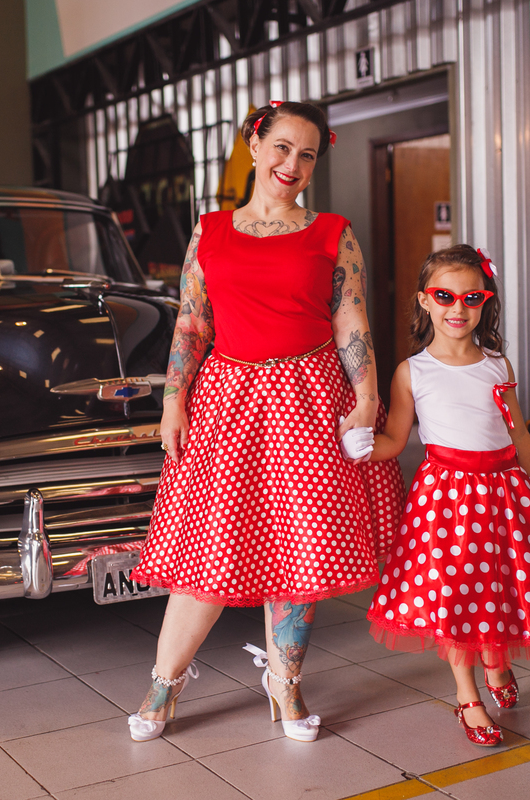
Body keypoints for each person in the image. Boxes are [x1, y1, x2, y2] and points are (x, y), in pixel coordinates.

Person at [127, 101, 404, 743]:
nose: (293, 164)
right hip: (226, 402)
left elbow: (351, 319)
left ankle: (284, 682)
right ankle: (166, 681)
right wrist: (173, 401)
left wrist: (364, 394)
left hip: (311, 396)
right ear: (254, 145)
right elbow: (192, 321)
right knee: (211, 548)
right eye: (282, 147)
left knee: (302, 550)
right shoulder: (210, 230)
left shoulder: (333, 231)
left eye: (307, 154)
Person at [362, 244, 530, 746]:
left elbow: (521, 436)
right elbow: (395, 443)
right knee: (454, 597)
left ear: (484, 301)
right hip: (445, 500)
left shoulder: (498, 365)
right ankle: (468, 698)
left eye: (472, 297)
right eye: (444, 296)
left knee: (498, 588)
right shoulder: (413, 372)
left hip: (505, 493)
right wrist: (361, 446)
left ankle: (495, 664)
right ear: (425, 301)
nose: (458, 308)